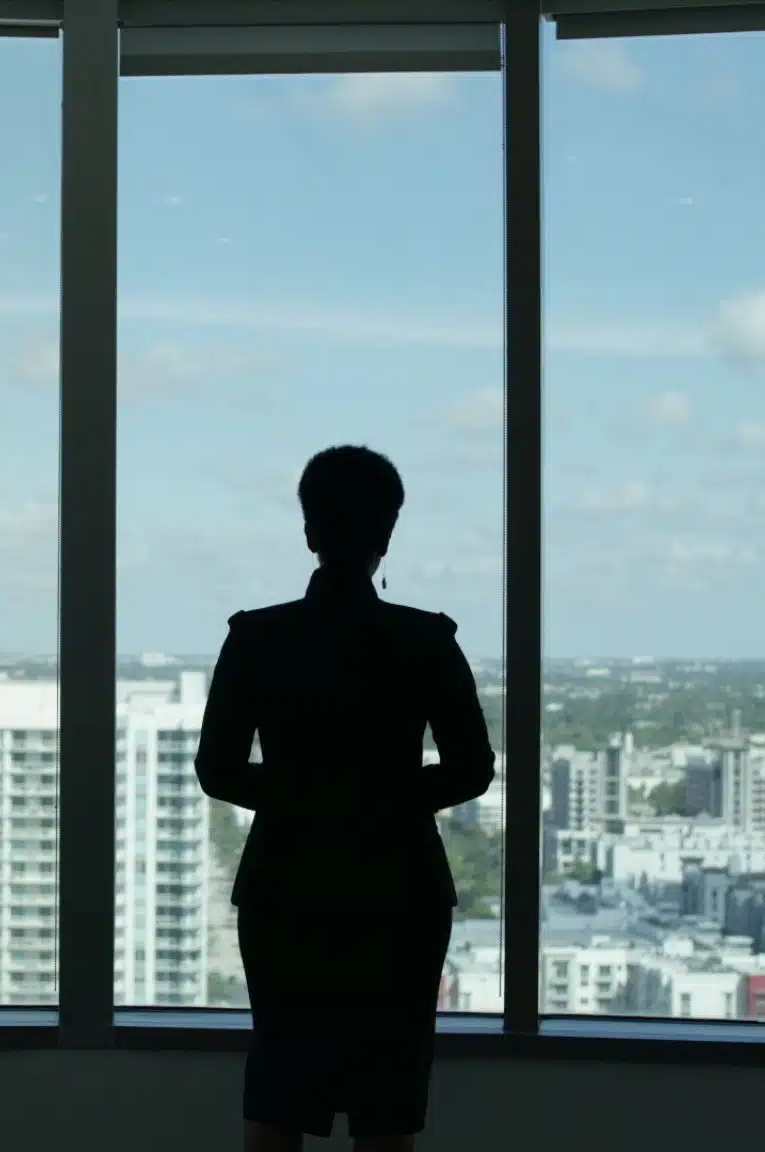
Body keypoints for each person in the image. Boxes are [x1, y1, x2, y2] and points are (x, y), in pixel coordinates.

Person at [193, 445, 497, 1152]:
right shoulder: (425, 641)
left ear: (309, 531)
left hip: (287, 886)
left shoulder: (257, 639)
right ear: (387, 533)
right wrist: (381, 796)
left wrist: (307, 795)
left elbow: (218, 769)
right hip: (399, 889)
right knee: (386, 1104)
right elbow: (472, 768)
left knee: (277, 1092)